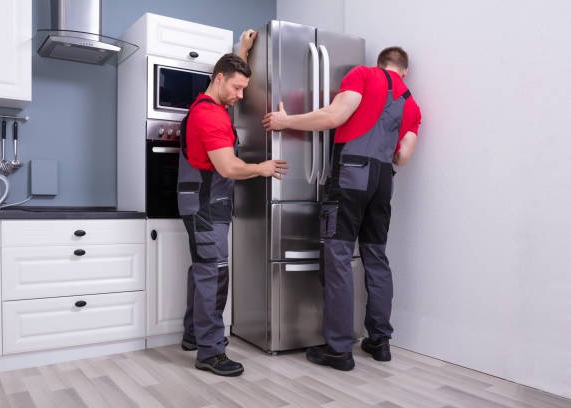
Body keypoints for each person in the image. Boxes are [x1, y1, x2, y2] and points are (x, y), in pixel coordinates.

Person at [263, 46, 421, 371]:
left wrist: (285, 120)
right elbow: (402, 156)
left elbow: (333, 117)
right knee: (376, 257)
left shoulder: (363, 75)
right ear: (403, 72)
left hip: (351, 174)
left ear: (381, 64)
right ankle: (379, 341)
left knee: (337, 258)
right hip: (382, 181)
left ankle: (338, 349)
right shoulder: (412, 104)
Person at [178, 29, 288, 377]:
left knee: (202, 271)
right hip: (207, 207)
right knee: (214, 275)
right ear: (219, 79)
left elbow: (228, 72)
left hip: (201, 204)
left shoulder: (207, 104)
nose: (241, 96)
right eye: (237, 88)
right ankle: (211, 353)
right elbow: (227, 167)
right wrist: (263, 167)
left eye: (244, 89)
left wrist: (242, 49)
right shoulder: (210, 116)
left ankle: (194, 336)